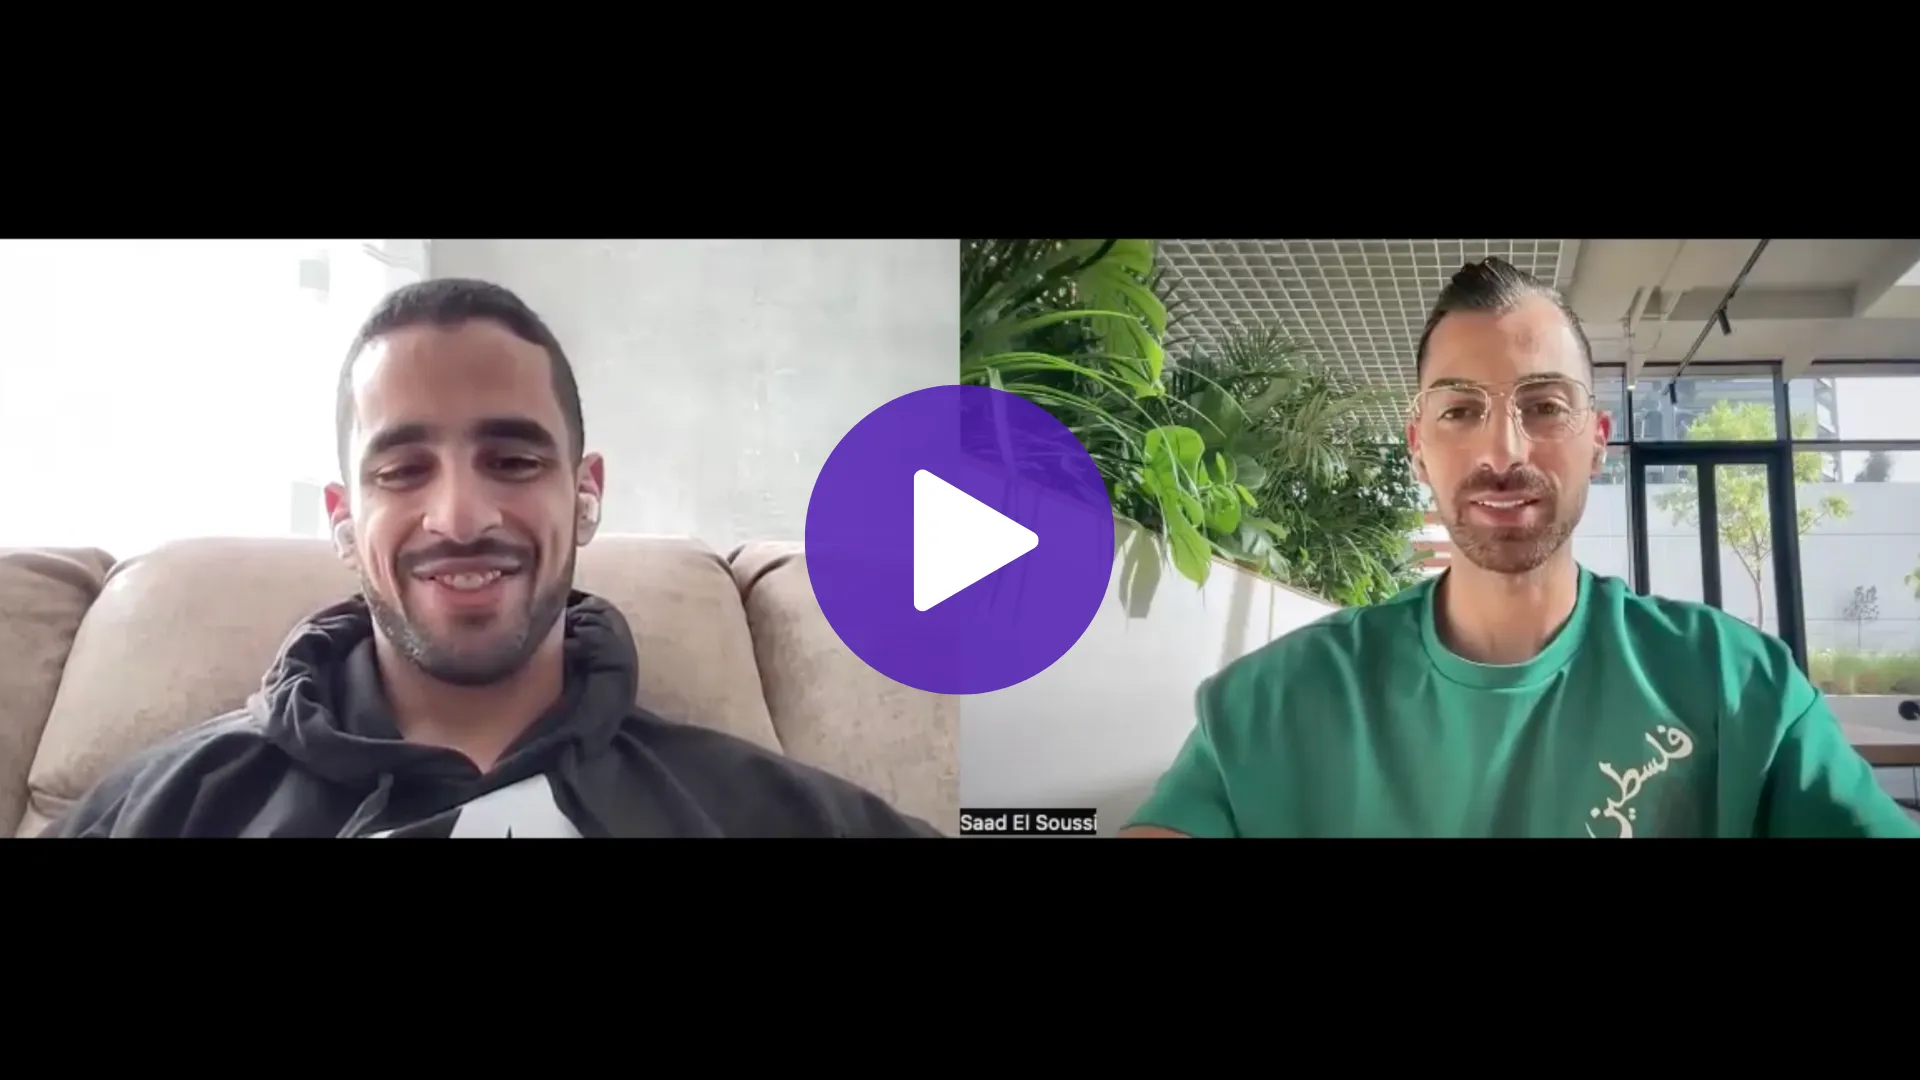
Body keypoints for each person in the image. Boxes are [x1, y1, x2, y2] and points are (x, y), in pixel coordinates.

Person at [43, 278, 941, 838]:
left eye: (512, 461)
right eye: (402, 470)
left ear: (585, 495)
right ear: (345, 522)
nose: (460, 516)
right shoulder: (172, 805)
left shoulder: (756, 808)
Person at [1122, 257, 1920, 839]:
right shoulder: (1273, 704)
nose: (1503, 450)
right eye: (1459, 410)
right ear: (1417, 446)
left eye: (1543, 405)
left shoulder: (1737, 686)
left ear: (1597, 438)